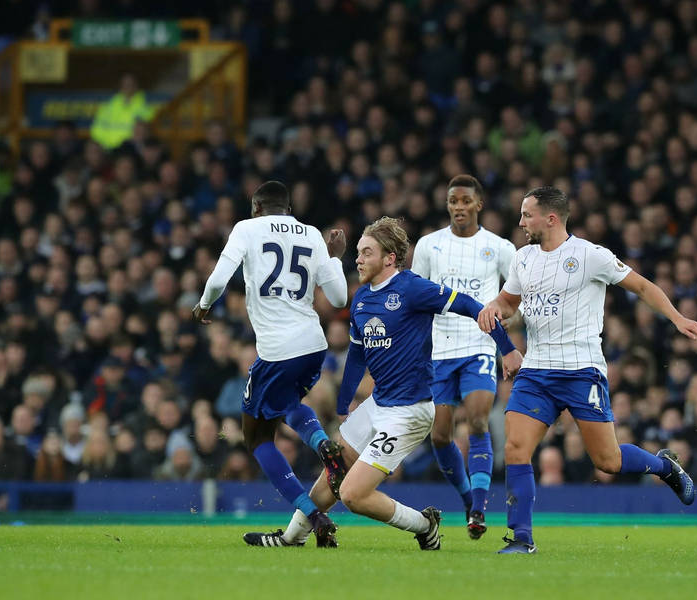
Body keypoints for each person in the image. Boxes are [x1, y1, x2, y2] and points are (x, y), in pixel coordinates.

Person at [245, 216, 522, 549]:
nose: (358, 259)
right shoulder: (361, 299)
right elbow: (358, 358)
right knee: (333, 475)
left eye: (366, 252)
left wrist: (506, 349)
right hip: (377, 405)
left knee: (352, 495)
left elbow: (470, 305)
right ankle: (292, 537)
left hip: (410, 412)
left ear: (390, 257)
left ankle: (424, 524)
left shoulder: (413, 288)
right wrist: (345, 404)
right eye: (358, 253)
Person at [478, 186, 697, 554]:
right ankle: (521, 537)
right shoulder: (522, 258)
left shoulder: (590, 256)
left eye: (527, 215)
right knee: (517, 448)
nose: (520, 222)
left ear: (550, 218)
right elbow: (510, 300)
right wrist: (495, 306)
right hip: (536, 372)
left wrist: (677, 318)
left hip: (581, 371)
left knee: (608, 461)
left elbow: (642, 286)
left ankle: (665, 467)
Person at [194, 180, 349, 541]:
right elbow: (340, 298)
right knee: (288, 403)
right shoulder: (311, 234)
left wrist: (203, 304)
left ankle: (312, 515)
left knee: (257, 437)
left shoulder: (246, 229)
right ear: (289, 210)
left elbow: (218, 279)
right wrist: (335, 258)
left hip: (278, 350)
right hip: (313, 344)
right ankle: (322, 443)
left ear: (256, 208)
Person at [411, 174, 516, 539]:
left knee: (476, 421)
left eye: (465, 200)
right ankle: (468, 495)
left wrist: (503, 315)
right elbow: (416, 297)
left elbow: (516, 297)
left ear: (478, 204)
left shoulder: (500, 247)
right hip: (441, 352)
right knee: (439, 436)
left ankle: (478, 508)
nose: (458, 207)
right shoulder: (428, 245)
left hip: (479, 346)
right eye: (453, 200)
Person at [90, 74, 156, 150]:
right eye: (124, 84)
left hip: (131, 151)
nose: (127, 87)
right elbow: (96, 130)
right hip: (105, 151)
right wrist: (102, 146)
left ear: (136, 86)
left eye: (130, 84)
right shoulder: (108, 107)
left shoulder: (146, 109)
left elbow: (145, 136)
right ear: (120, 87)